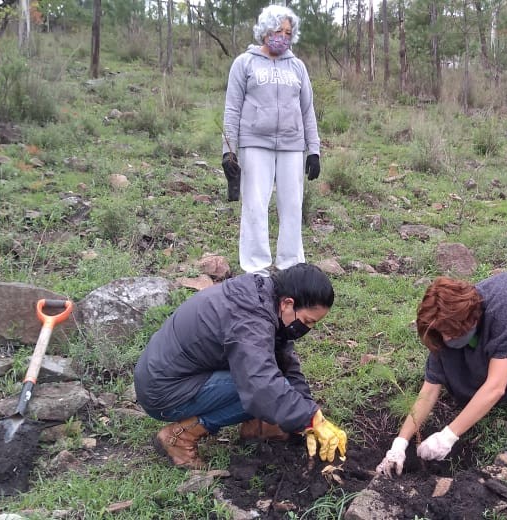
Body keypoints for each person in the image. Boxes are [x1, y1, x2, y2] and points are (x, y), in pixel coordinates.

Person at [133, 263, 347, 469]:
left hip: (178, 375)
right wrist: (308, 418)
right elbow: (260, 386)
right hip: (163, 391)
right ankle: (180, 436)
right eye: (308, 321)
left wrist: (311, 412)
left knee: (271, 381)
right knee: (262, 390)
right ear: (288, 303)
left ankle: (260, 427)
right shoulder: (250, 319)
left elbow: (284, 361)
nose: (307, 328)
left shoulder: (263, 300)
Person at [375, 272, 507, 477]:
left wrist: (447, 437)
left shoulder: (504, 313)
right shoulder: (443, 328)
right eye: (442, 333)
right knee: (470, 377)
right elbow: (428, 392)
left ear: (470, 321)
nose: (445, 338)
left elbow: (495, 387)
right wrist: (399, 444)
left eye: (449, 333)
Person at [223, 5, 321, 277]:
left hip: (291, 145)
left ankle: (291, 264)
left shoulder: (298, 67)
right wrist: (228, 151)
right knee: (255, 203)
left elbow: (307, 110)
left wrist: (314, 150)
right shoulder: (245, 63)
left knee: (292, 205)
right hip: (255, 142)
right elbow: (232, 109)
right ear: (265, 31)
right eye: (278, 30)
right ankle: (256, 267)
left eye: (288, 32)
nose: (283, 36)